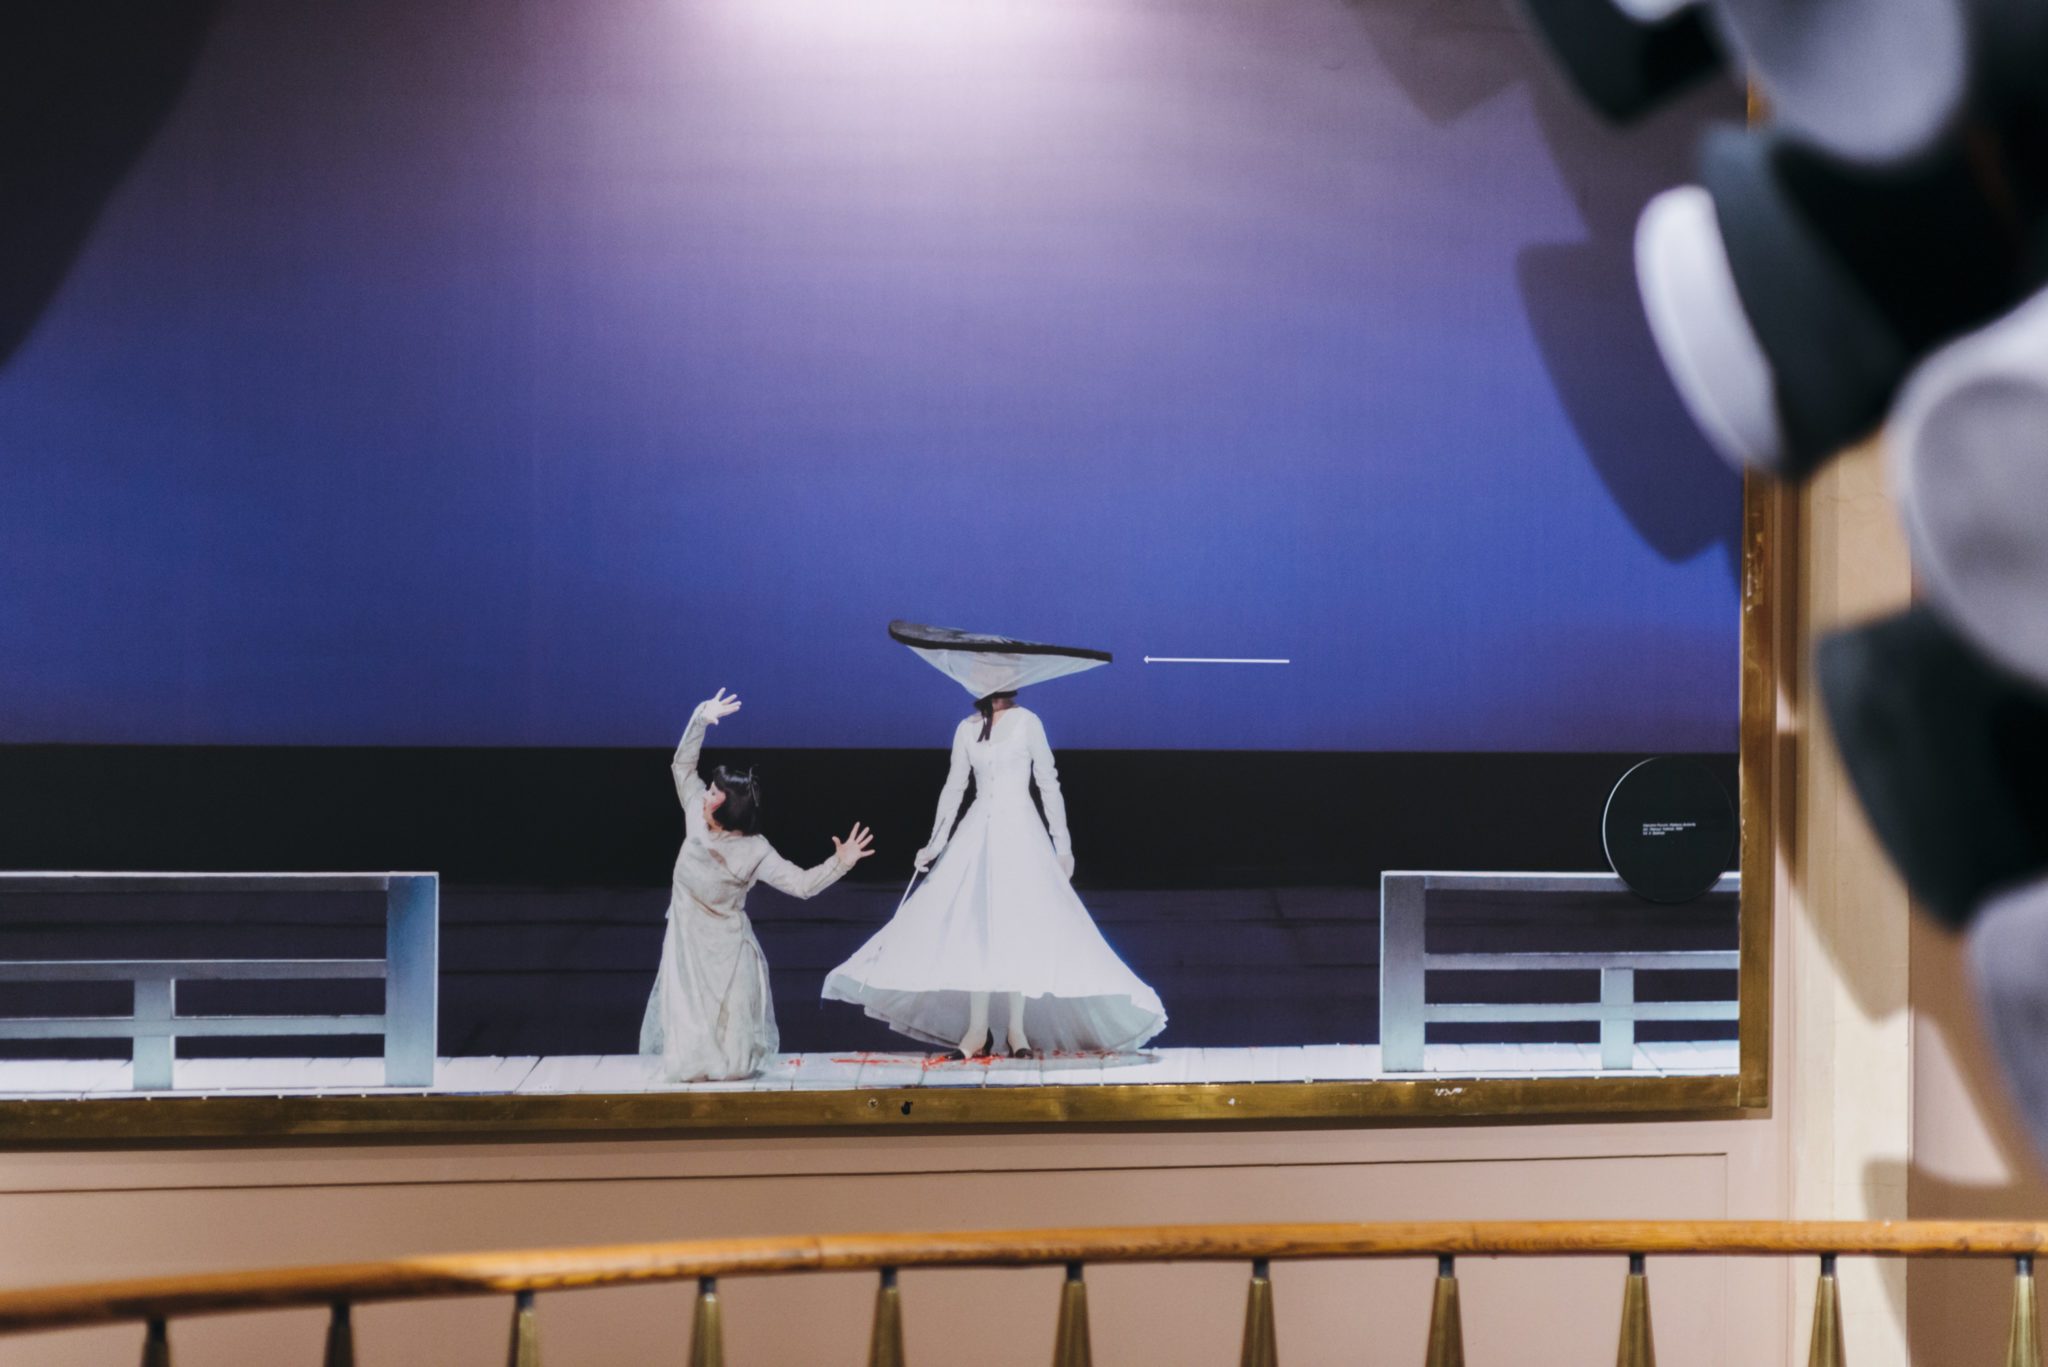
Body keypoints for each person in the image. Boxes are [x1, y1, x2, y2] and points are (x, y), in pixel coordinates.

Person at [822, 690, 1165, 1059]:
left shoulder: (1028, 722)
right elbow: (955, 786)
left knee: (1016, 926)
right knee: (975, 927)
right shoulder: (967, 728)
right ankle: (976, 1030)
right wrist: (935, 843)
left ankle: (1017, 1031)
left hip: (1020, 833)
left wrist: (1062, 844)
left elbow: (1048, 781)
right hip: (979, 832)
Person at [641, 688, 874, 1081]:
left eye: (713, 791)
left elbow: (802, 885)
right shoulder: (696, 812)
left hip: (728, 951)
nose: (705, 792)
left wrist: (841, 862)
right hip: (688, 946)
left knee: (732, 1062)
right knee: (691, 1049)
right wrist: (701, 718)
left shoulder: (754, 850)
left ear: (724, 805)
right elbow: (682, 765)